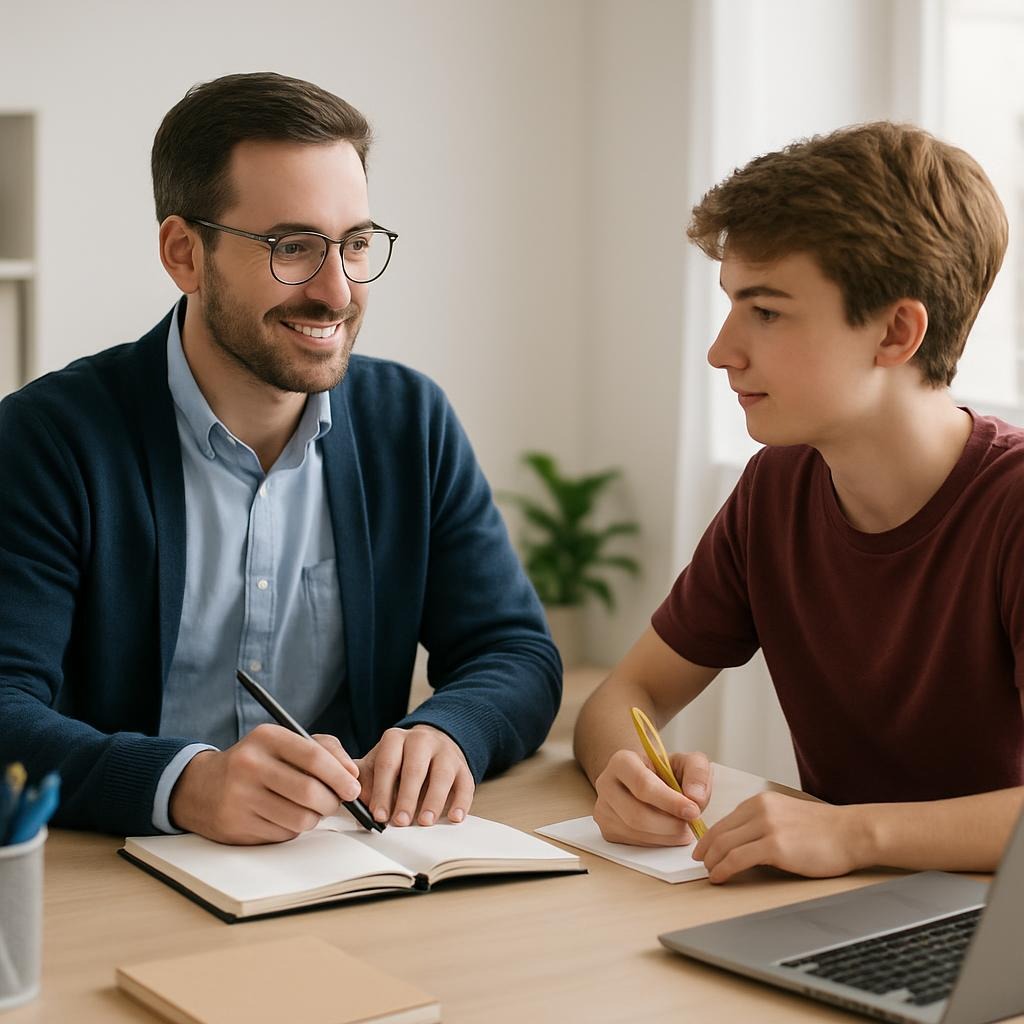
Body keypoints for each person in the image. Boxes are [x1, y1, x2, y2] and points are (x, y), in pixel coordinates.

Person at [0, 72, 560, 844]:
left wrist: (452, 730)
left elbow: (515, 651)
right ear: (183, 253)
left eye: (356, 244)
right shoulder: (49, 439)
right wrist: (184, 785)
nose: (336, 291)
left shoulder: (411, 422)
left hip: (344, 866)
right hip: (116, 873)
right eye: (292, 247)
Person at [574, 121, 1024, 883]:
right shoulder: (776, 487)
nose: (722, 349)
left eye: (768, 311)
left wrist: (852, 836)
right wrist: (629, 769)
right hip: (841, 914)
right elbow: (628, 691)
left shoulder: (1011, 509)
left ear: (896, 332)